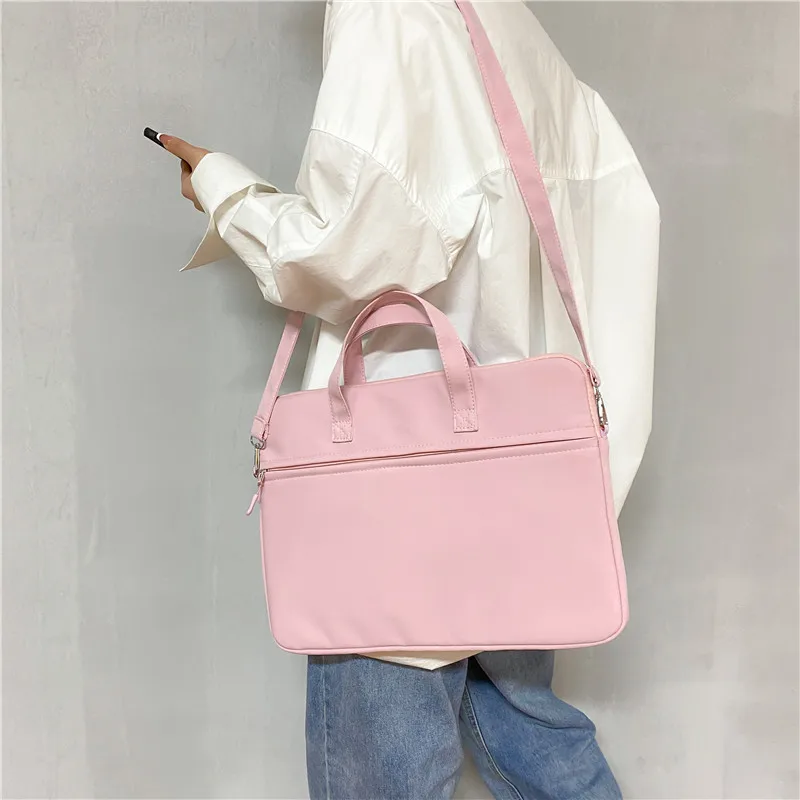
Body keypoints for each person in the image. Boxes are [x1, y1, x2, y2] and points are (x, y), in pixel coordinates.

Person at [161, 1, 659, 797]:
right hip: (519, 493)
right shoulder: (497, 17)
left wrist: (226, 192)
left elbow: (351, 253)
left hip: (392, 494)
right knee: (538, 743)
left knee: (389, 775)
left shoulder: (386, 13)